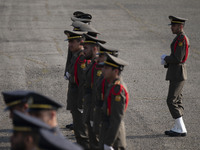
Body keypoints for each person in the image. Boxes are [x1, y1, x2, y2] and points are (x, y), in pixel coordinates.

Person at [161, 15, 189, 137]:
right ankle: (178, 126)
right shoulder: (179, 38)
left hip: (178, 73)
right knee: (176, 100)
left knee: (171, 100)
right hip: (176, 72)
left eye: (173, 25)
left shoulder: (181, 39)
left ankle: (181, 128)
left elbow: (178, 58)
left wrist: (165, 58)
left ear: (180, 26)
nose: (171, 27)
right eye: (171, 25)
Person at [64, 11, 92, 130]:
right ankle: (77, 121)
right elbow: (70, 56)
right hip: (73, 70)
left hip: (80, 72)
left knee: (79, 98)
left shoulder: (86, 36)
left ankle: (80, 123)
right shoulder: (76, 35)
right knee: (73, 99)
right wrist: (67, 70)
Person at [64, 28, 90, 149]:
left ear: (80, 42)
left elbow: (83, 84)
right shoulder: (76, 56)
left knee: (82, 131)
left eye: (72, 42)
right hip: (74, 98)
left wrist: (81, 103)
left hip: (79, 100)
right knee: (78, 130)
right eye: (69, 42)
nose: (69, 44)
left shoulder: (82, 59)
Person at [99, 53, 129, 150]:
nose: (102, 70)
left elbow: (117, 118)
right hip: (108, 133)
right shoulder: (112, 85)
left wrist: (109, 143)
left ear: (115, 71)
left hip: (114, 139)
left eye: (106, 68)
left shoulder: (117, 90)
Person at [81, 33, 106, 149]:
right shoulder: (92, 64)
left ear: (95, 49)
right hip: (89, 108)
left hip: (94, 110)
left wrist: (93, 117)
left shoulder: (98, 67)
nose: (83, 50)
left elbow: (97, 92)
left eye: (86, 48)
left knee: (96, 141)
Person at [92, 44, 119, 142]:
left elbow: (116, 117)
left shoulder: (115, 86)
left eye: (101, 56)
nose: (98, 58)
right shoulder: (104, 77)